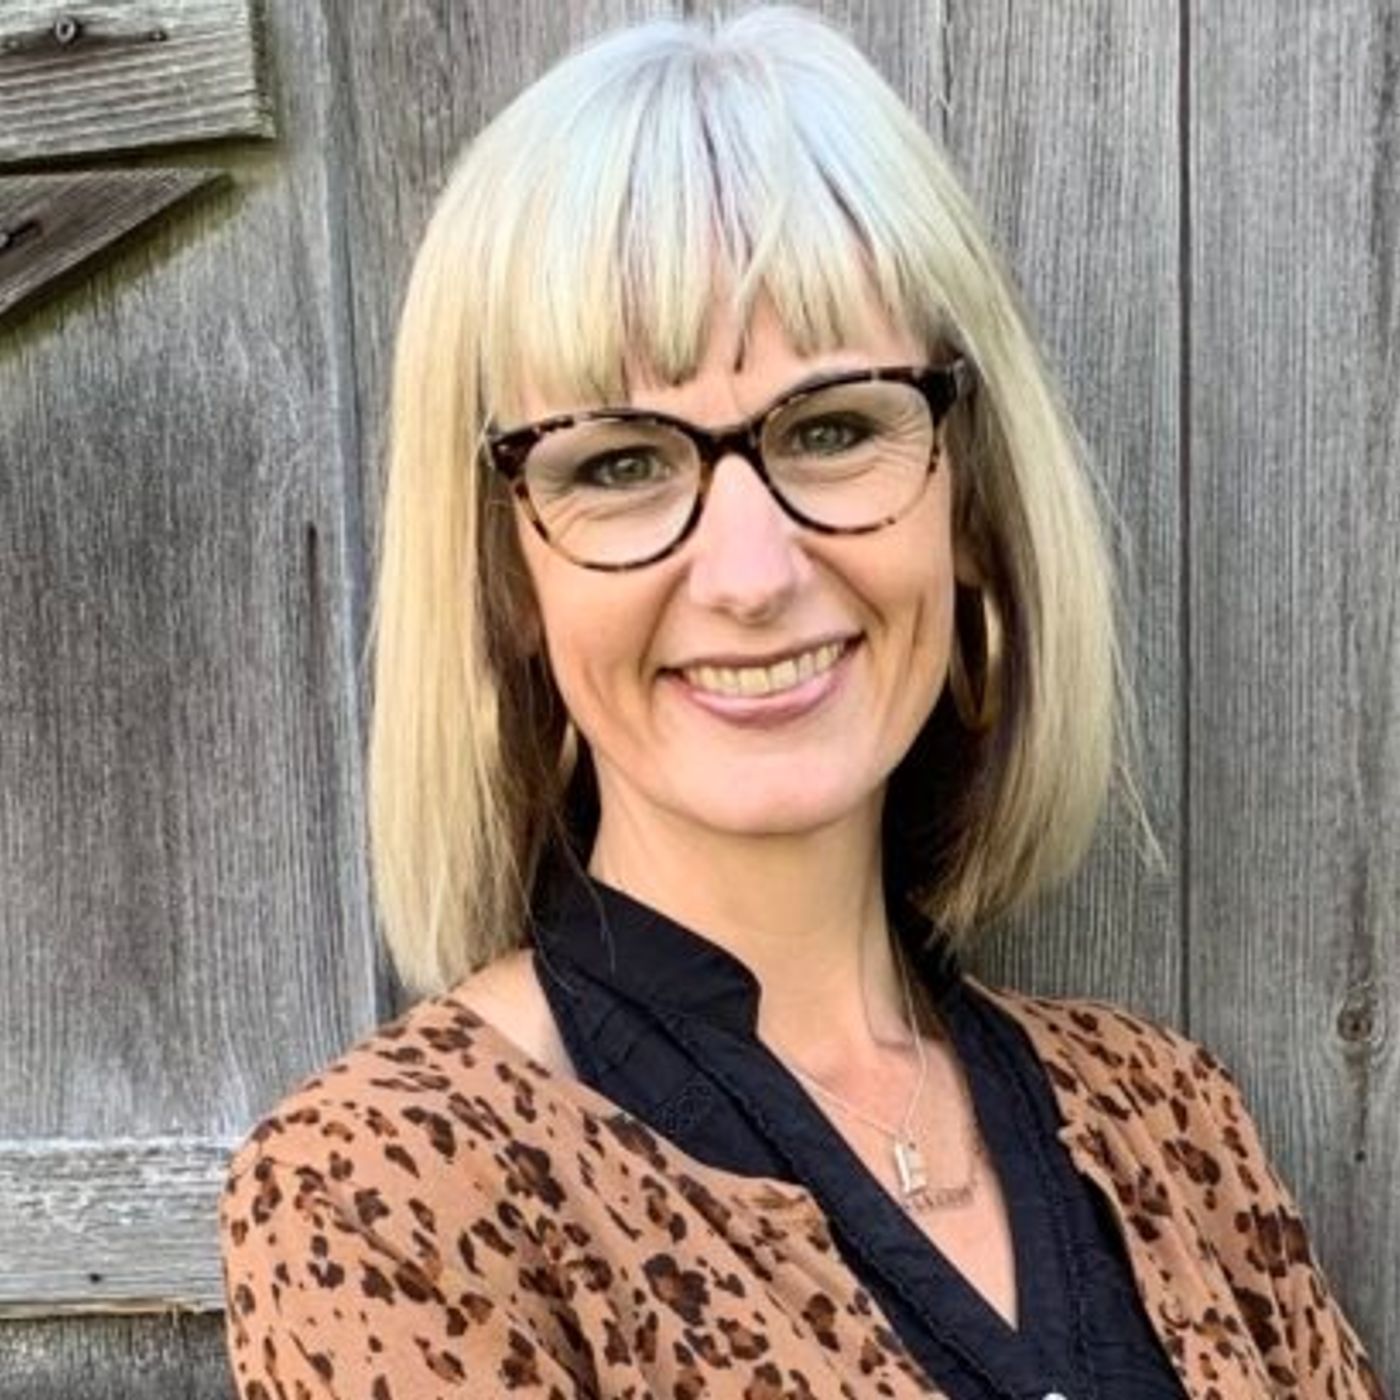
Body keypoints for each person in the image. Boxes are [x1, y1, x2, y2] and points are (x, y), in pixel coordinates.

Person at [219, 8, 1386, 1398]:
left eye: (832, 430)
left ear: (967, 500)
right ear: (507, 573)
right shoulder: (395, 1193)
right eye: (619, 464)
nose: (753, 575)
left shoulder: (1171, 1126)